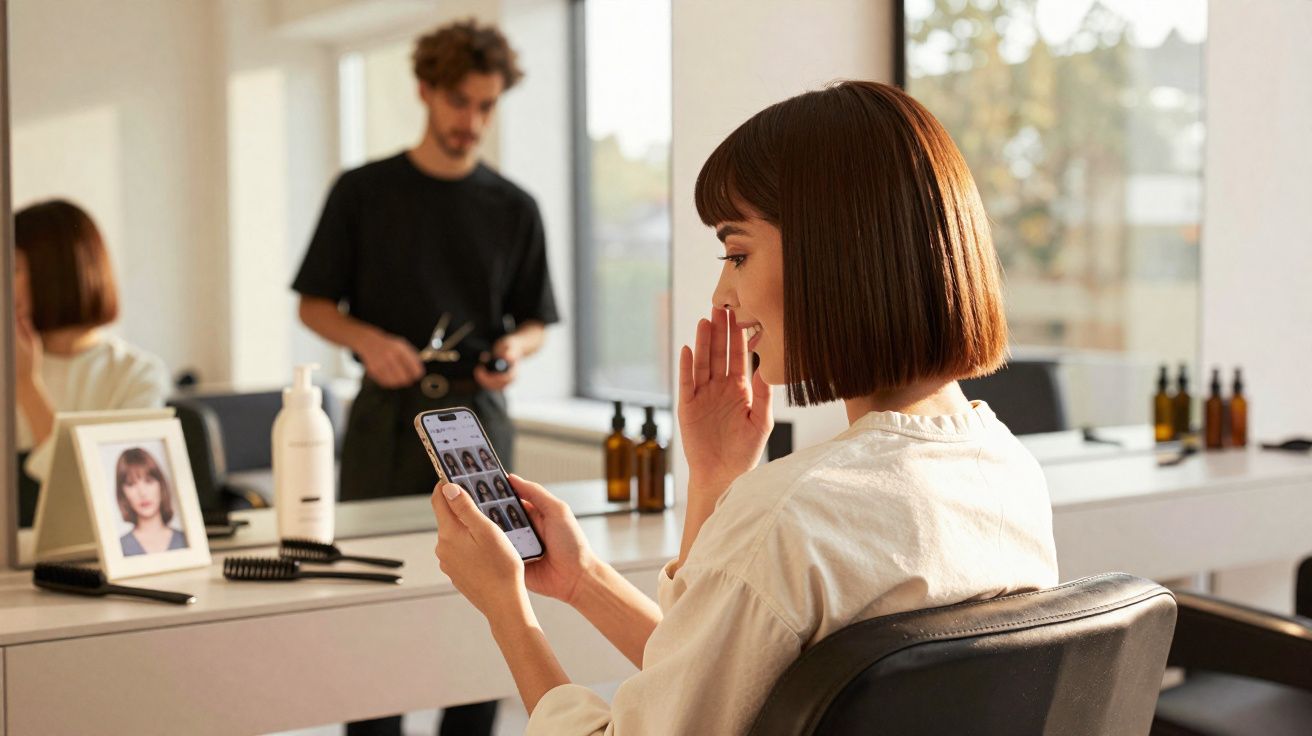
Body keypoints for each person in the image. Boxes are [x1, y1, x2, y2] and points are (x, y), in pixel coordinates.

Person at [428, 81, 1059, 734]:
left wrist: (506, 609)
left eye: (737, 254)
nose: (720, 294)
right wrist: (685, 501)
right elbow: (719, 690)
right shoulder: (1008, 472)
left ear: (835, 253)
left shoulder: (793, 515)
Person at [292, 18, 557, 736]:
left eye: (486, 106)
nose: (471, 121)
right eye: (460, 102)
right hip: (384, 426)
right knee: (372, 602)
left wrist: (514, 350)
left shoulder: (515, 208)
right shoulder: (362, 192)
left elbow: (537, 320)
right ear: (426, 92)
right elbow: (315, 304)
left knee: (485, 608)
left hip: (478, 430)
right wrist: (369, 340)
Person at [13, 199, 171, 526]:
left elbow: (111, 502)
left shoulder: (136, 375)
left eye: (13, 269)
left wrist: (27, 386)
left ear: (53, 274)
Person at [115, 447, 187, 556]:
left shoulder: (186, 540)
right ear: (123, 493)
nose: (142, 493)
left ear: (161, 485)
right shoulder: (119, 548)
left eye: (148, 481)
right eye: (131, 484)